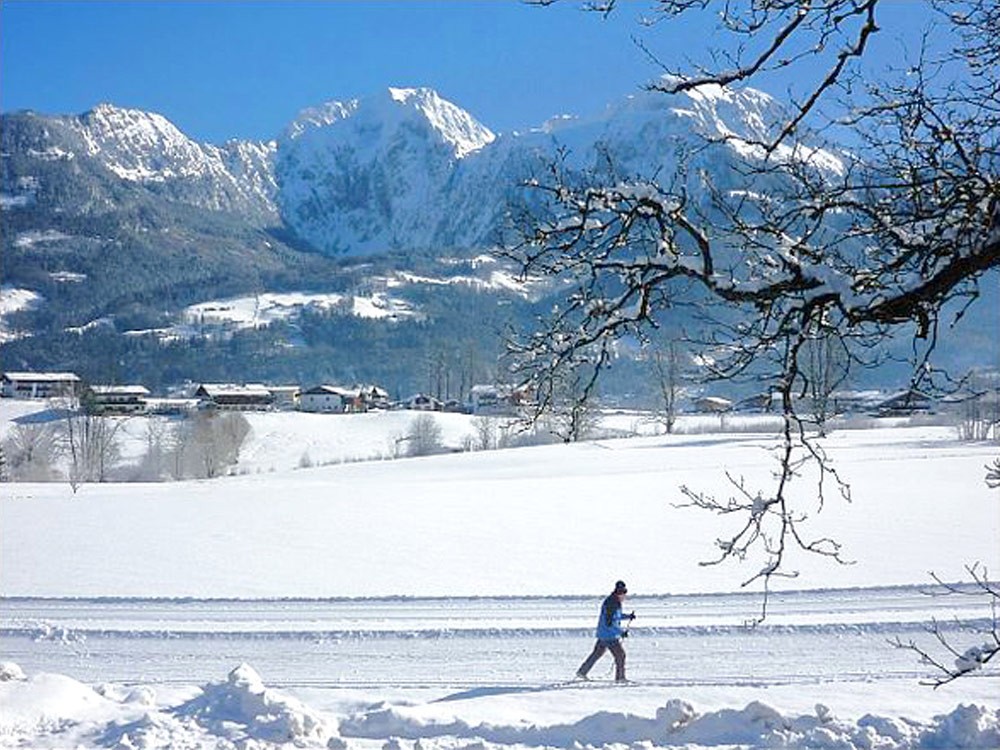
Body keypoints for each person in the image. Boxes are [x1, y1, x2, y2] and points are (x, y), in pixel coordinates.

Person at [576, 580, 635, 682]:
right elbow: (610, 623)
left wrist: (628, 616)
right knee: (620, 655)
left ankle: (582, 672)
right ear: (620, 593)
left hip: (603, 634)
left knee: (597, 654)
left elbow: (616, 617)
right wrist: (621, 632)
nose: (624, 597)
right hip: (609, 636)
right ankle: (620, 678)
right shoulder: (612, 603)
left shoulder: (613, 601)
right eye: (624, 594)